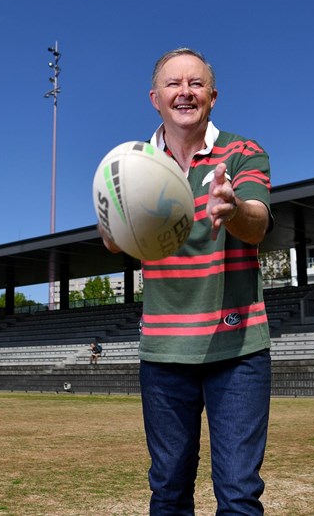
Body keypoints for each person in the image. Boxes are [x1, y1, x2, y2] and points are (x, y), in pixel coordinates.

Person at [98, 48, 272, 514]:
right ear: (154, 97)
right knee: (169, 491)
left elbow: (258, 223)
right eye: (173, 84)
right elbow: (114, 242)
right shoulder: (132, 163)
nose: (185, 92)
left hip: (237, 349)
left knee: (238, 493)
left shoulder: (243, 152)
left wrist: (232, 209)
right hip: (164, 351)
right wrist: (114, 218)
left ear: (213, 97)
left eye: (196, 84)